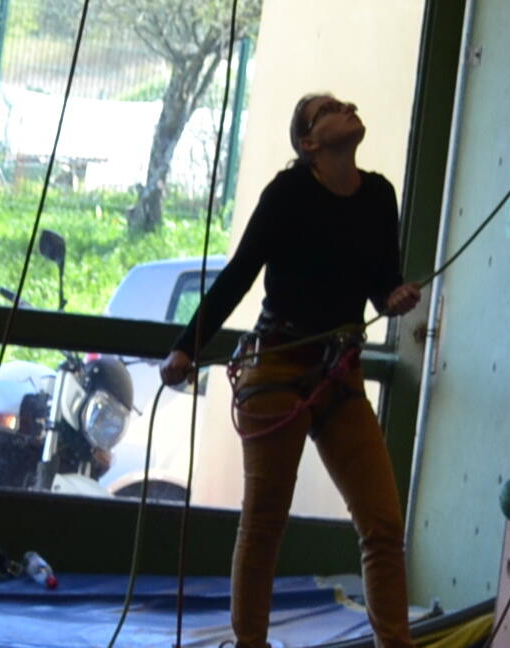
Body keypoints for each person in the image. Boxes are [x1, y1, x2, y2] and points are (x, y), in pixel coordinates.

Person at [160, 91, 417, 648]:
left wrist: (393, 297)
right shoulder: (288, 193)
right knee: (265, 523)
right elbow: (239, 273)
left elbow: (381, 282)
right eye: (329, 109)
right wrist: (187, 347)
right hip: (277, 368)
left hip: (339, 374)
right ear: (309, 142)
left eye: (346, 102)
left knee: (382, 525)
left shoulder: (378, 195)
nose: (348, 106)